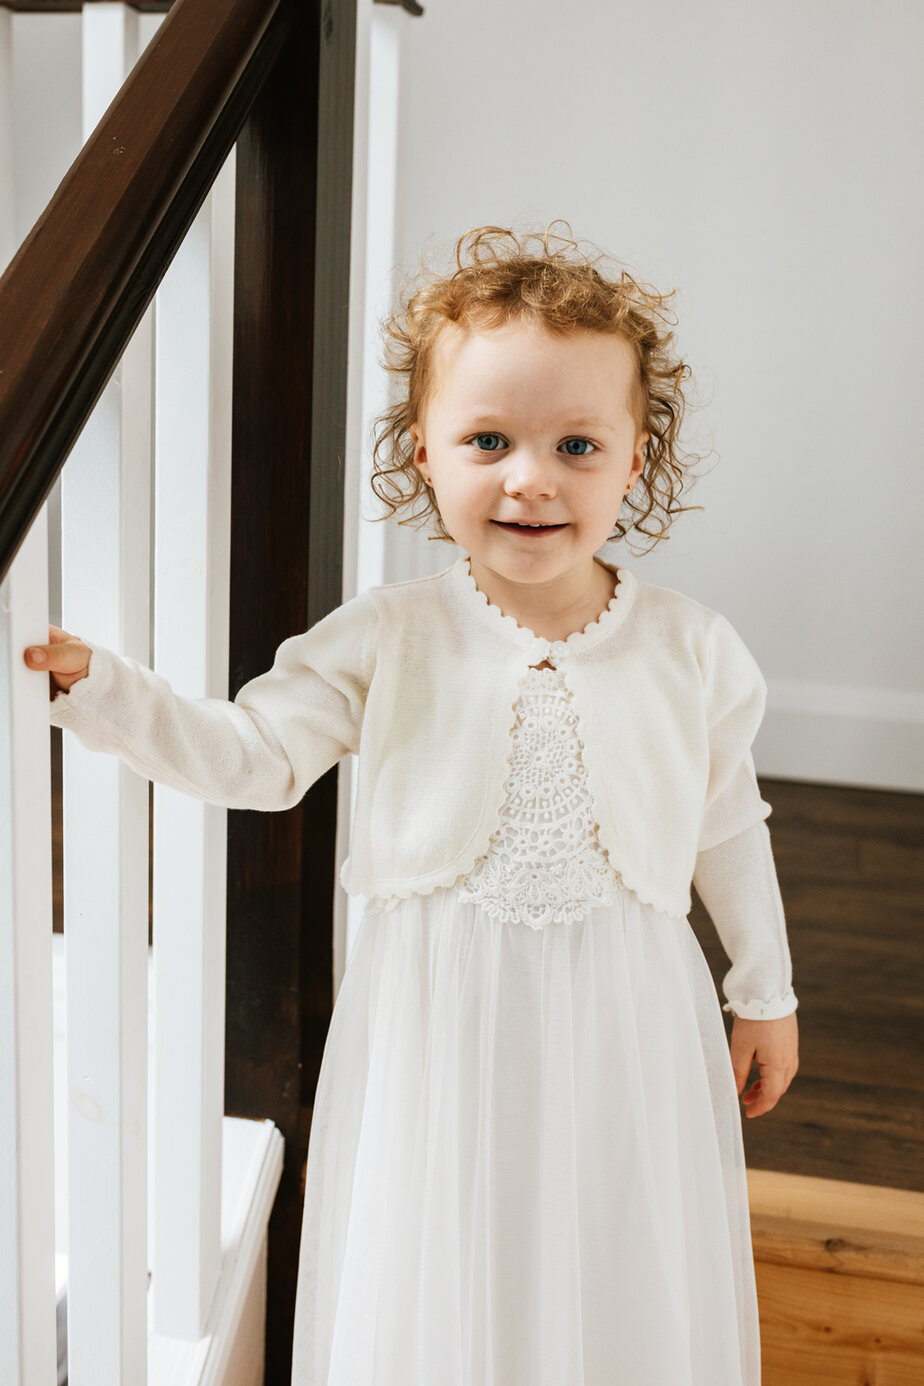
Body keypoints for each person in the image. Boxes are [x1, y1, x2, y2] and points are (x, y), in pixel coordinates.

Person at [26, 223, 799, 1386]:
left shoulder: (690, 649)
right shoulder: (388, 636)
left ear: (634, 461)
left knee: (607, 1241)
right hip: (434, 1023)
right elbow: (255, 755)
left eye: (575, 444)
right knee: (443, 1244)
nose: (530, 477)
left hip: (626, 1020)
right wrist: (111, 694)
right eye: (488, 439)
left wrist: (766, 991)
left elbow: (726, 824)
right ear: (424, 457)